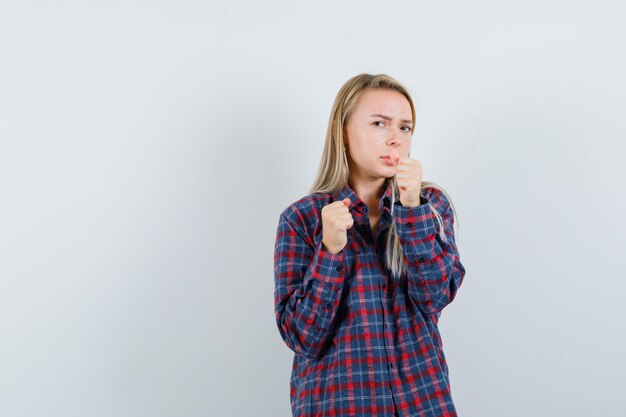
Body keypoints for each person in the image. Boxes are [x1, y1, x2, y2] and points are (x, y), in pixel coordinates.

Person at [273, 73, 466, 417]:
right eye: (380, 124)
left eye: (405, 128)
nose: (395, 140)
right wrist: (330, 252)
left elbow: (434, 296)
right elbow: (303, 337)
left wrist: (410, 210)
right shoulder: (302, 219)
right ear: (343, 133)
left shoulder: (430, 205)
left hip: (423, 404)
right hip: (342, 406)